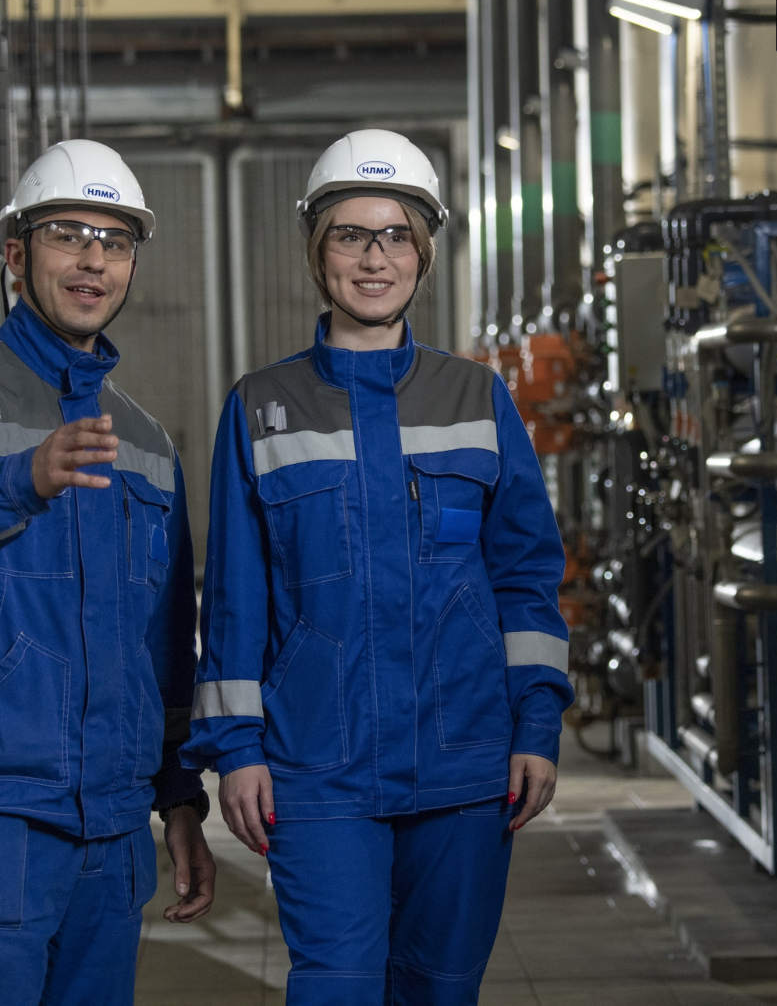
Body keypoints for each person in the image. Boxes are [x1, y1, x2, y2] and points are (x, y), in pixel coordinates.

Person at [181, 129, 573, 1005]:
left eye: (394, 235)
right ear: (317, 252)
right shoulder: (261, 407)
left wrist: (536, 726)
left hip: (467, 759)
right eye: (350, 235)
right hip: (318, 764)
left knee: (440, 986)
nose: (373, 257)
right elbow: (238, 600)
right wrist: (237, 750)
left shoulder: (478, 398)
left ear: (423, 255)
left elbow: (524, 577)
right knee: (339, 984)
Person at [0, 140, 215, 1006]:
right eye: (67, 233)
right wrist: (20, 481)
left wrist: (179, 801)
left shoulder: (149, 446)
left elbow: (164, 648)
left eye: (115, 239)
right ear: (15, 254)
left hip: (114, 830)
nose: (93, 257)